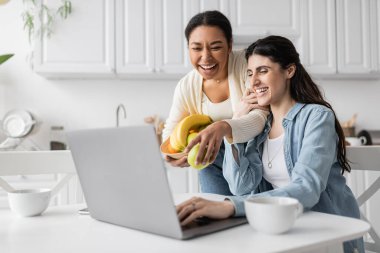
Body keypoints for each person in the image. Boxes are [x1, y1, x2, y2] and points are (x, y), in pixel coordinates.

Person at [178, 35, 364, 253]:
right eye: (250, 73)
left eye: (263, 71)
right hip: (284, 233)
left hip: (327, 236)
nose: (254, 81)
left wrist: (230, 206)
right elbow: (241, 186)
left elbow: (306, 189)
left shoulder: (316, 117)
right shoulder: (259, 126)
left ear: (289, 71)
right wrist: (236, 122)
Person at [162, 10, 268, 195]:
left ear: (230, 45)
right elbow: (169, 135)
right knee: (217, 213)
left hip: (256, 158)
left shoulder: (248, 66)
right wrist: (175, 155)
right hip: (212, 163)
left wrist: (223, 127)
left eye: (215, 47)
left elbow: (260, 117)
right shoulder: (187, 86)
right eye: (196, 48)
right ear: (188, 48)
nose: (205, 57)